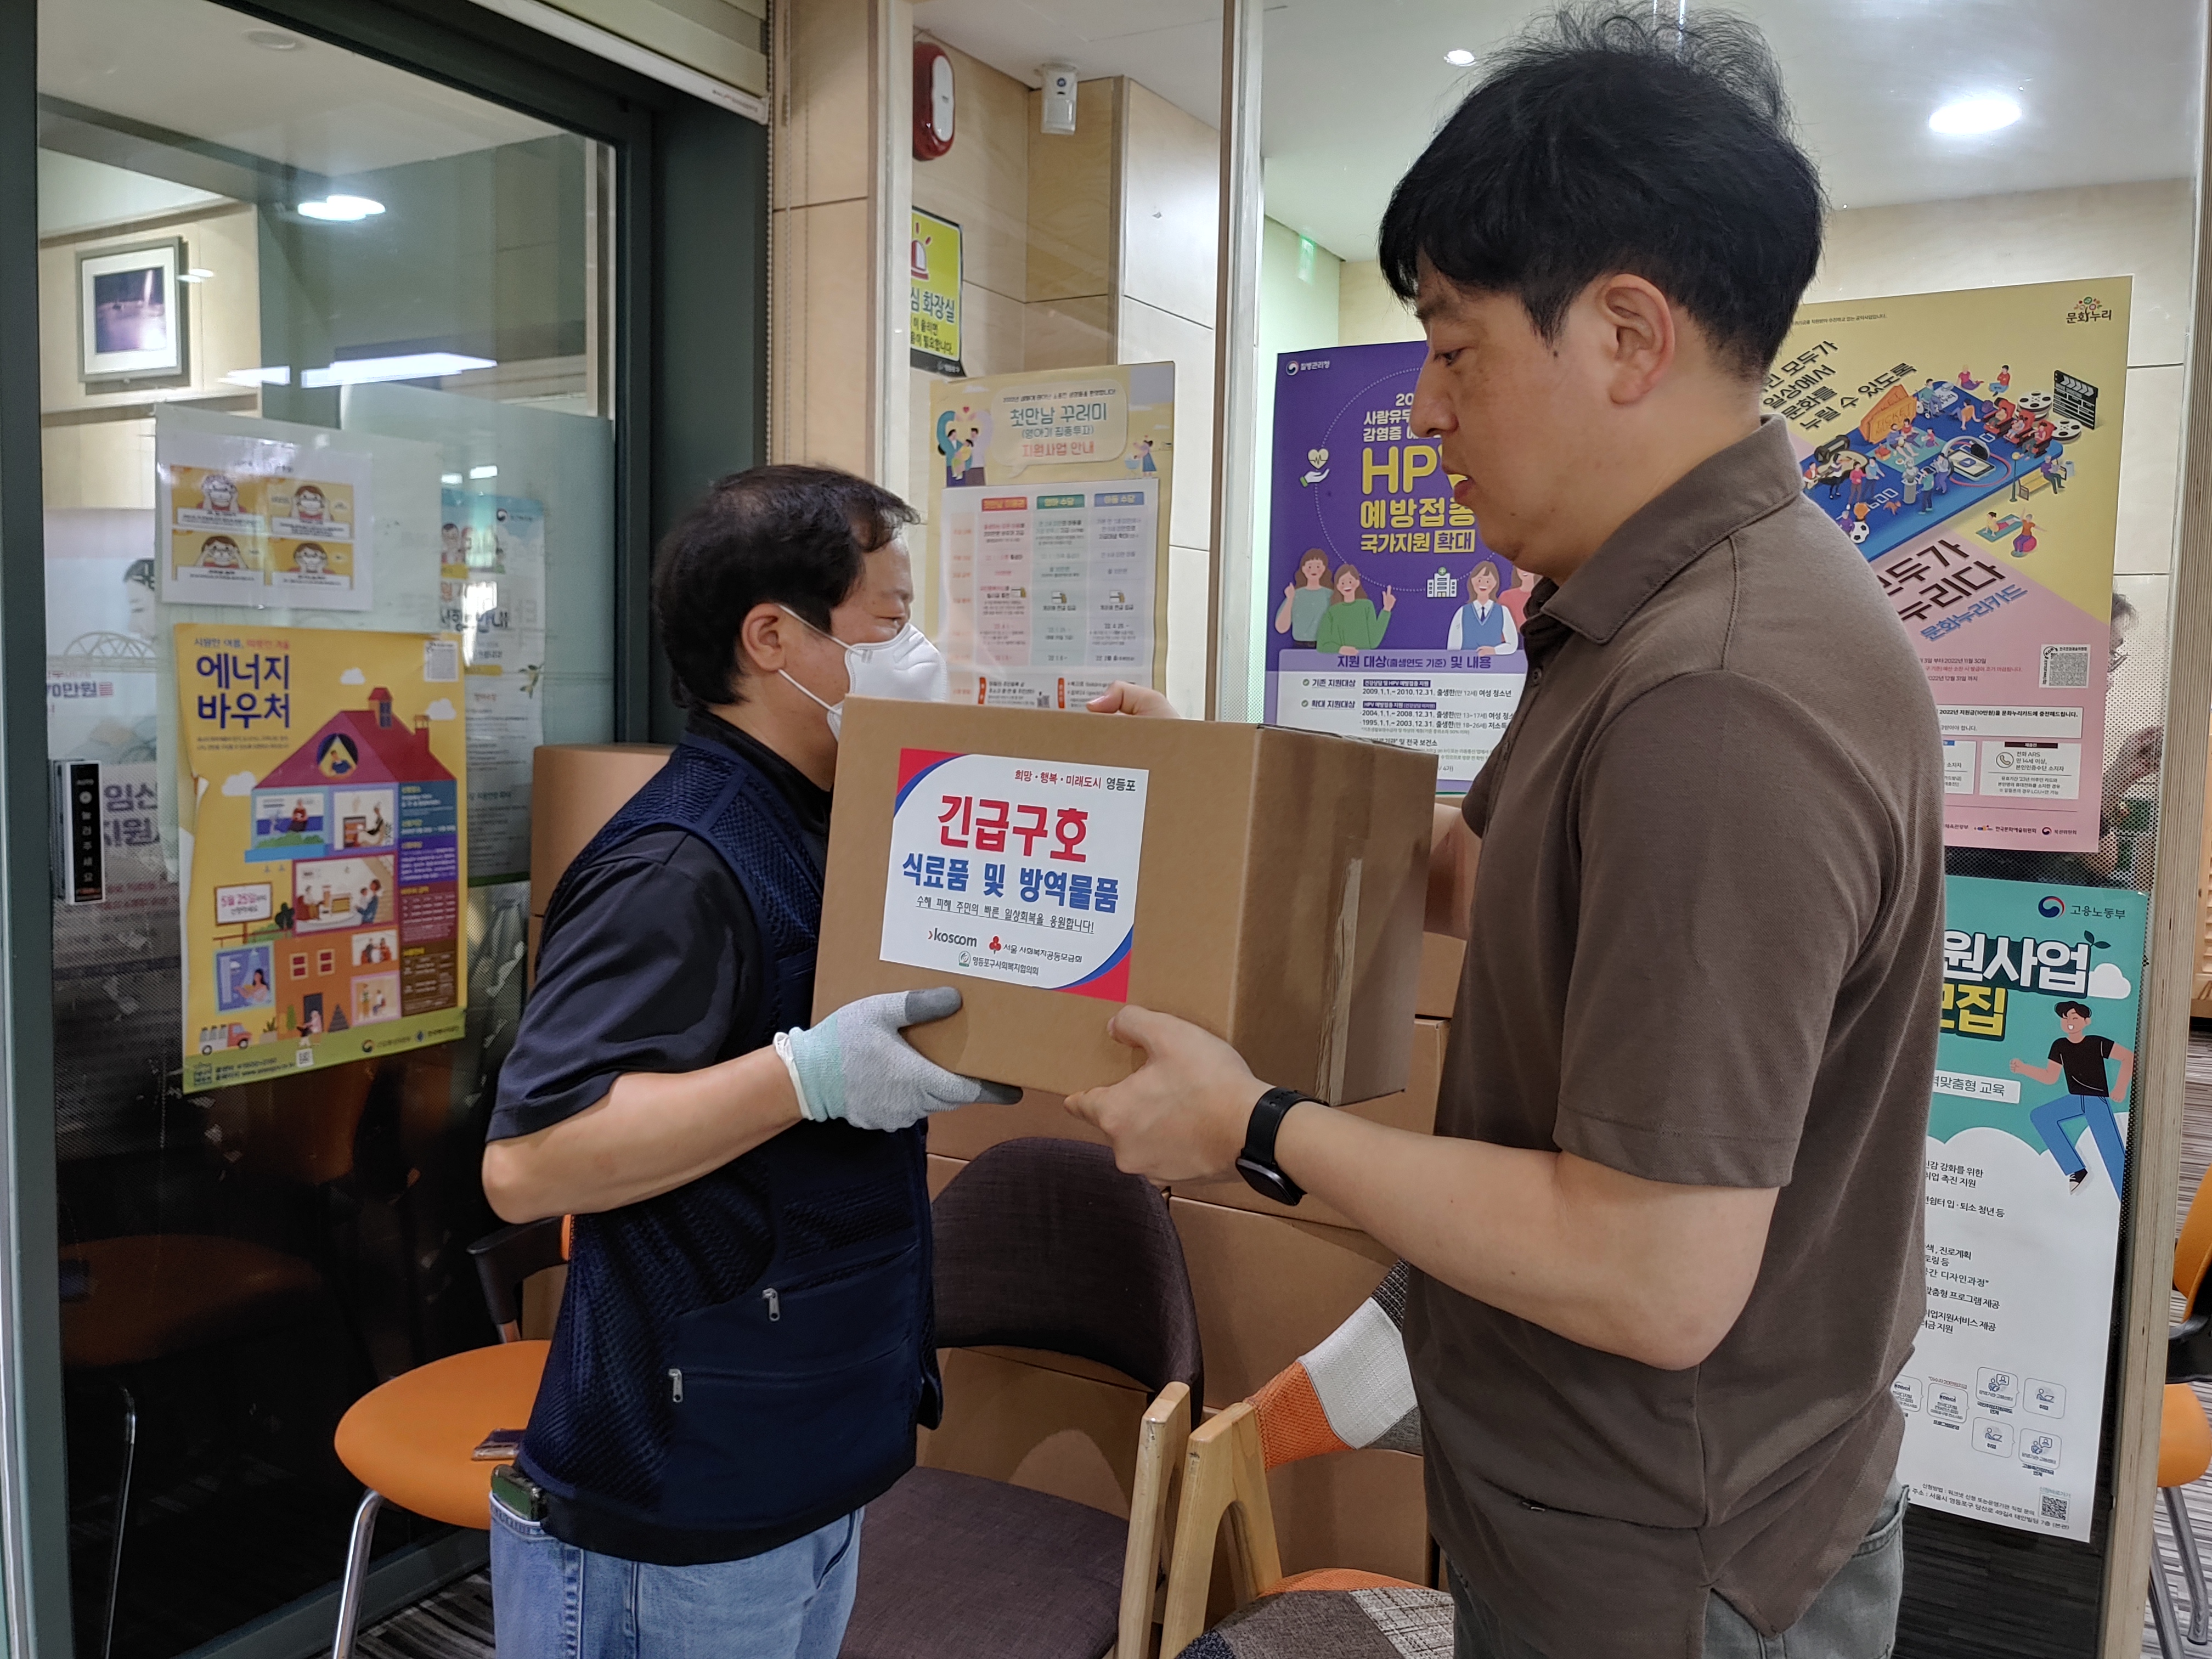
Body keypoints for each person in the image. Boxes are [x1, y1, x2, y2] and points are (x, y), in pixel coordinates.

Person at [1066, 12, 1935, 1658]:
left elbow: (1652, 1274)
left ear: (1626, 336)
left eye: (1454, 351)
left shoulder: (1720, 694)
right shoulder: (1643, 615)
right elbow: (1482, 879)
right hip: (1605, 1499)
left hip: (1669, 1563)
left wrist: (1256, 1124)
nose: (1420, 407)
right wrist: (1219, 783)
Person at [477, 465, 1015, 1659]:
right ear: (775, 638)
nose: (914, 649)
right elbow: (526, 1165)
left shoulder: (832, 822)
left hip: (800, 1448)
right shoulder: (680, 862)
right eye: (888, 619)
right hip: (680, 1504)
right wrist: (805, 1078)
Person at [2010, 1001, 2132, 1194]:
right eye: (2065, 1018)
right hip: (2074, 1099)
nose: (2069, 1022)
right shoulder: (2060, 1046)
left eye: (2074, 1018)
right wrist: (2024, 1069)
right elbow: (2051, 1077)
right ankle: (2076, 1168)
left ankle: (2124, 1202)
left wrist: (2120, 1088)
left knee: (2113, 1155)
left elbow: (2128, 1057)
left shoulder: (2096, 1043)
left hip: (2096, 1101)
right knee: (2041, 1116)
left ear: (2086, 1021)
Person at [1312, 561, 1396, 656]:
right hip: (1339, 664)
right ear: (1338, 586)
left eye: (1350, 582)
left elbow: (1374, 642)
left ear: (1357, 583)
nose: (1347, 585)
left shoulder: (1366, 606)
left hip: (1366, 661)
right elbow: (1322, 645)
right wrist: (1340, 649)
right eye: (1343, 583)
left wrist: (1387, 609)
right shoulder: (1332, 612)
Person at [1446, 558, 1519, 656]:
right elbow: (1453, 648)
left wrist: (1494, 651)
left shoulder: (1503, 612)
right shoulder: (1462, 612)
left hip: (1495, 667)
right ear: (1472, 581)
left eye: (1488, 581)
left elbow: (1512, 645)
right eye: (1480, 580)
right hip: (1466, 667)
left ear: (1495, 584)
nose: (1483, 585)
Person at [1275, 549, 1335, 642]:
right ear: (1303, 569)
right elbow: (1281, 628)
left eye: (1318, 566)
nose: (1314, 570)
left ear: (1324, 568)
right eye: (1310, 567)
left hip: (1325, 646)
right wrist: (1290, 599)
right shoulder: (1295, 595)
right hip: (1299, 647)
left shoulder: (1330, 595)